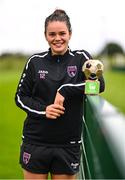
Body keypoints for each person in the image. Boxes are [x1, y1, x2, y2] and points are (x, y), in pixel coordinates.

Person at [15, 9, 105, 180]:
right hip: (35, 142)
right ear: (45, 36)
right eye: (52, 34)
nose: (57, 38)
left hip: (67, 144)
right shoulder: (35, 62)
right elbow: (20, 97)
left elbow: (98, 85)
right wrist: (44, 110)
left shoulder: (81, 58)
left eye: (62, 33)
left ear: (70, 34)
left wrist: (65, 89)